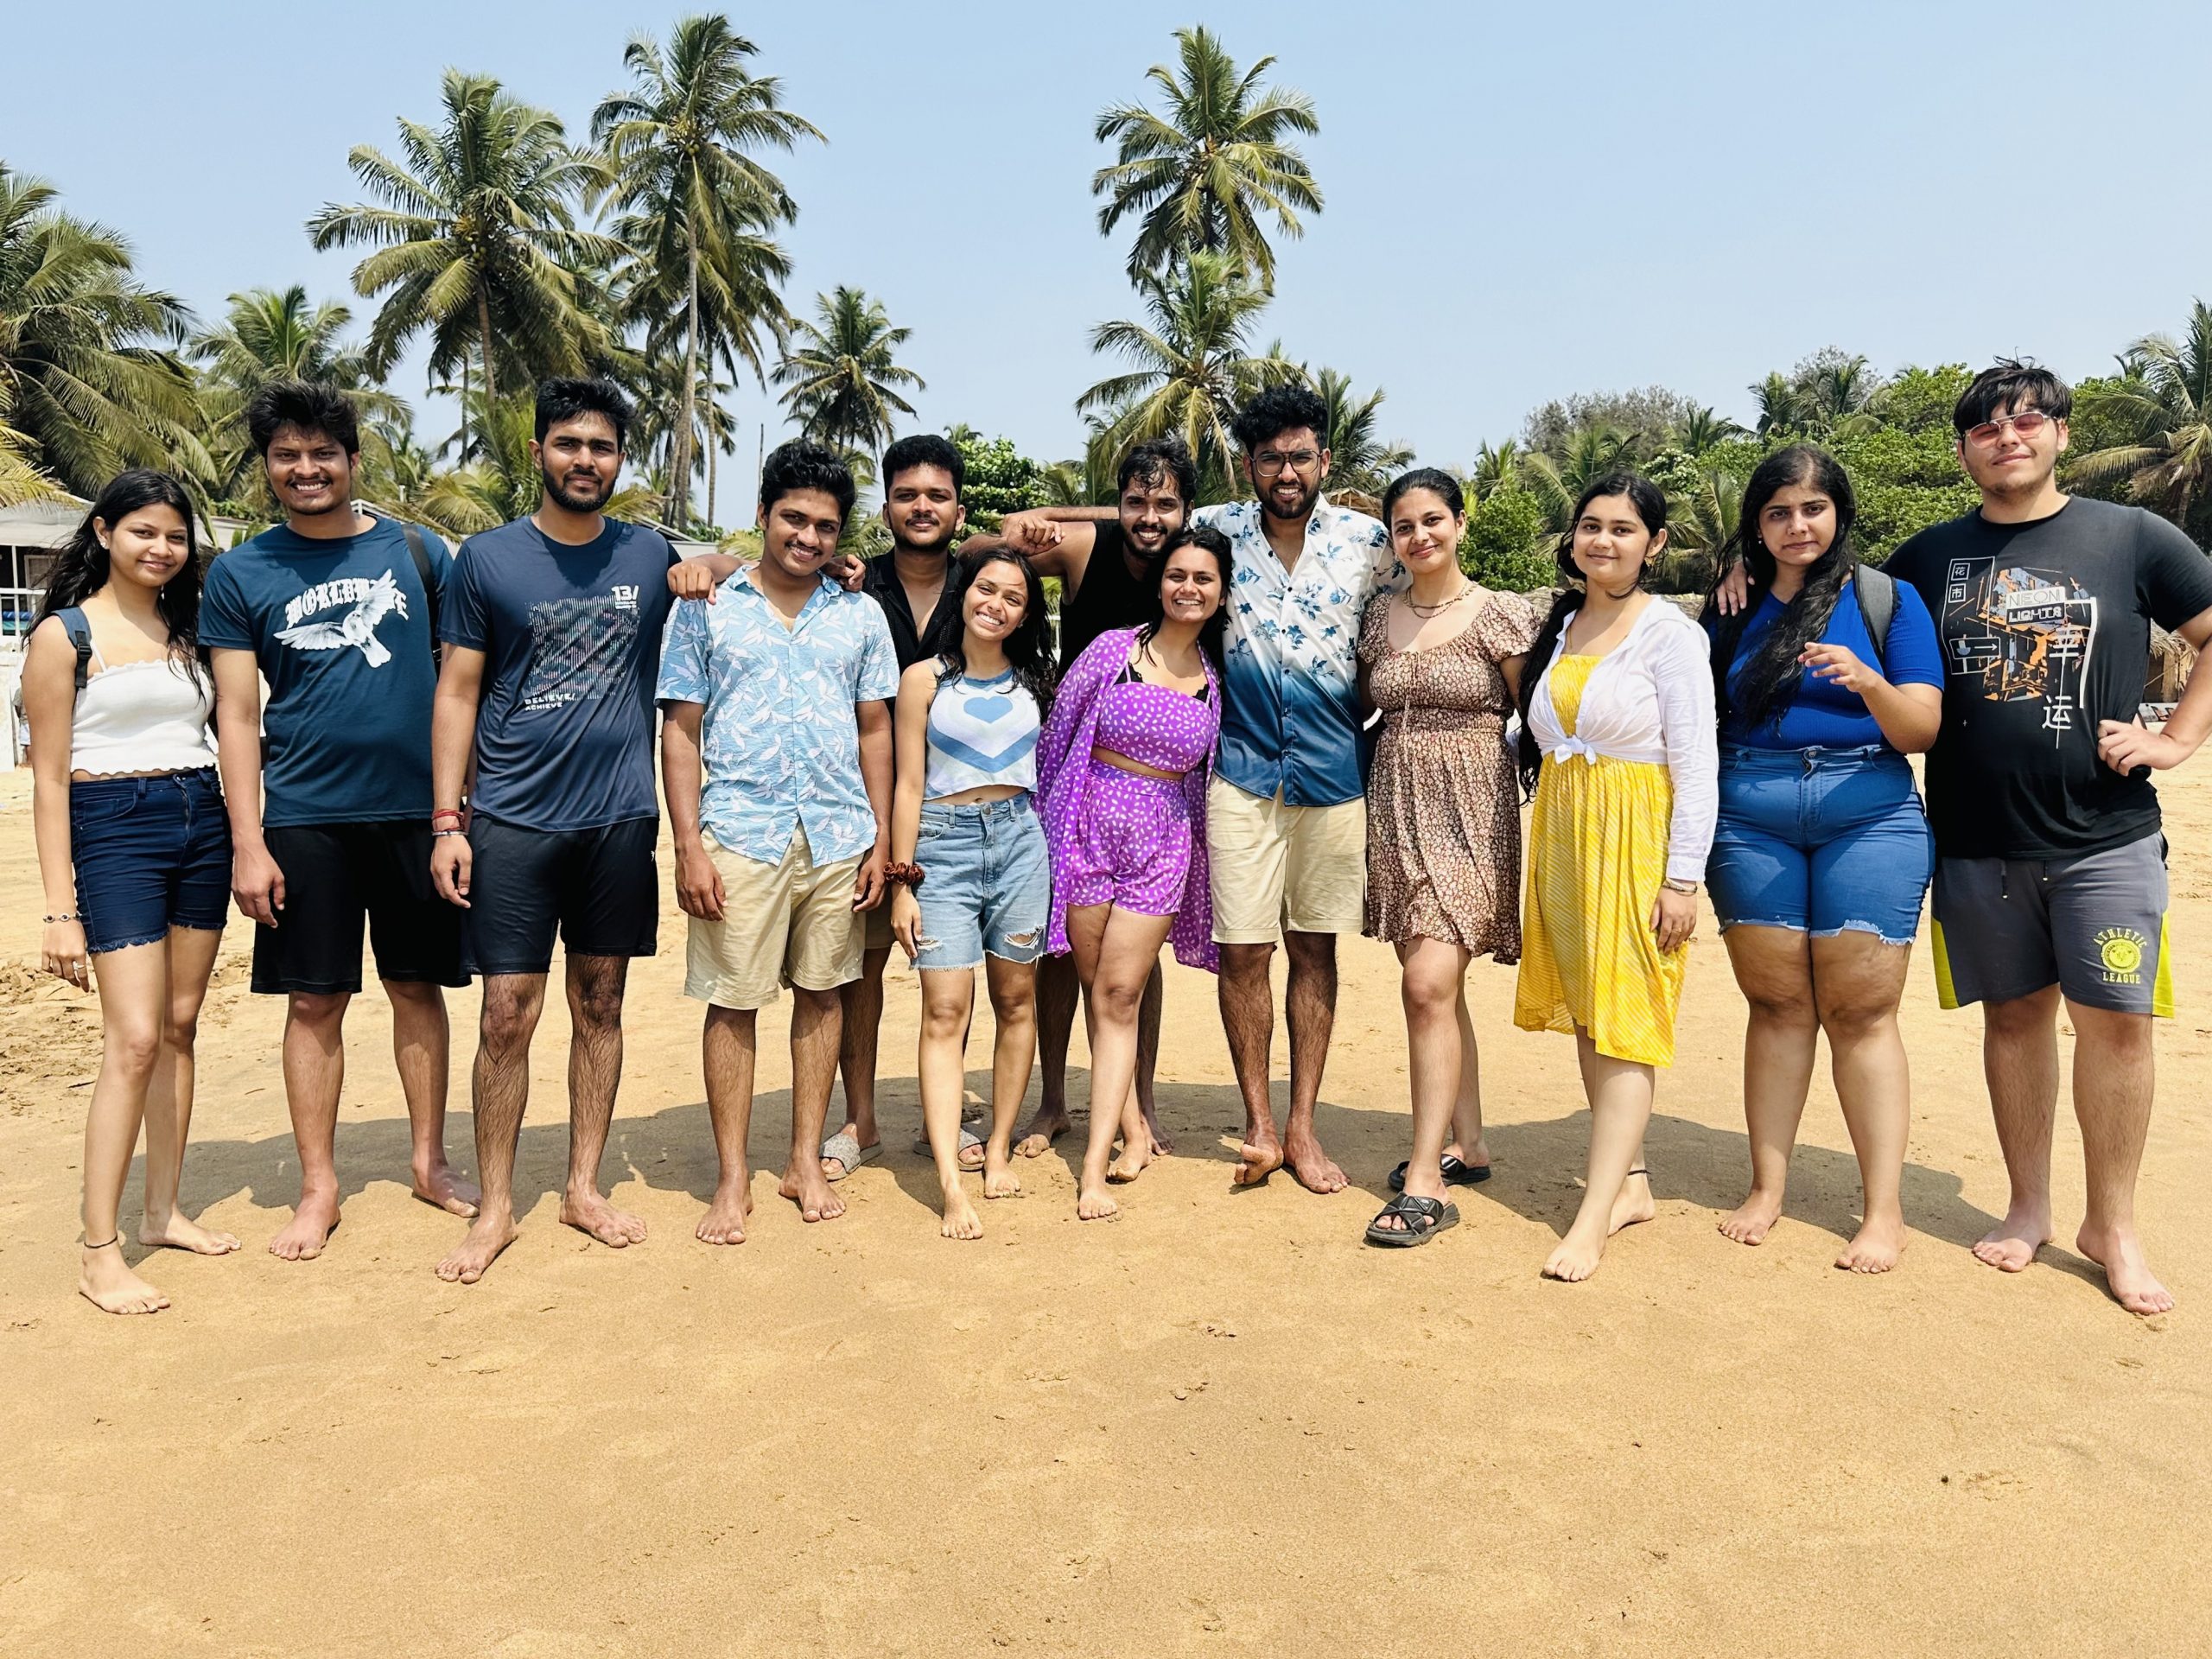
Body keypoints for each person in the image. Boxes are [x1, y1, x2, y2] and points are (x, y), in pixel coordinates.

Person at [1872, 360, 2211, 1313]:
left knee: (2116, 1024)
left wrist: (2175, 737)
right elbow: (1834, 609)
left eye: (2027, 421)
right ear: (1961, 450)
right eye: (1986, 427)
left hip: (2107, 835)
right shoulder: (1925, 559)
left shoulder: (2131, 535)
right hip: (1976, 839)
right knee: (2012, 1020)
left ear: (2060, 434)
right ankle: (2027, 1206)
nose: (2007, 437)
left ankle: (2114, 1225)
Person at [427, 378, 735, 1283]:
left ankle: (583, 1186)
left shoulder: (648, 554)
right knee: (506, 1015)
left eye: (601, 448)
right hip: (514, 821)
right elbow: (456, 694)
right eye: (568, 444)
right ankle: (494, 1207)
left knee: (600, 1005)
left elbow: (739, 564)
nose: (585, 461)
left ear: (619, 461)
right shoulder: (484, 561)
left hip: (616, 821)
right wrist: (450, 820)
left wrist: (709, 566)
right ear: (537, 453)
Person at [200, 381, 477, 1259]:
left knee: (414, 988)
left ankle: (429, 1162)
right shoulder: (244, 572)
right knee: (314, 1000)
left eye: (324, 453)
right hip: (306, 818)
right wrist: (249, 843)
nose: (306, 468)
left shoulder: (419, 552)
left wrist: (452, 817)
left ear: (354, 461)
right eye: (288, 455)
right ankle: (319, 1186)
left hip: (415, 816)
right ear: (269, 468)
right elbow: (237, 718)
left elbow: (461, 687)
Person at [1700, 446, 1942, 1274]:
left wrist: (1867, 681)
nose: (1796, 526)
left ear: (1838, 512)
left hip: (1869, 814)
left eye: (1812, 509)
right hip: (1750, 819)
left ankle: (1883, 1210)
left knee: (1863, 1010)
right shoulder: (1728, 606)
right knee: (1775, 1005)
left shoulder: (1888, 601)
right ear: (1755, 525)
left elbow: (1920, 730)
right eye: (1777, 512)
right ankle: (1768, 1187)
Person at [659, 439, 896, 1236]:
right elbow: (682, 730)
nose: (809, 537)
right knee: (732, 1004)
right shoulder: (705, 608)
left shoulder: (860, 615)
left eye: (826, 525)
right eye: (794, 517)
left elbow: (875, 731)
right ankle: (732, 1178)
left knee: (823, 992)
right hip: (739, 832)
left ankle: (802, 1159)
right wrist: (688, 845)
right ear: (762, 515)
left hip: (837, 835)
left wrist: (880, 839)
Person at [22, 472, 240, 1313]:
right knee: (135, 1038)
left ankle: (162, 1210)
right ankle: (98, 1251)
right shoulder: (64, 636)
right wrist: (58, 909)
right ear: (106, 532)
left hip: (202, 818)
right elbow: (47, 784)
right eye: (144, 532)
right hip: (114, 826)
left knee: (181, 1026)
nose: (161, 548)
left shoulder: (189, 626)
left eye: (175, 536)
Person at [1513, 474, 1717, 1282]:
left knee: (1628, 1016)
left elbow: (1697, 765)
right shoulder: (1561, 623)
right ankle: (1629, 1183)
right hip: (1566, 831)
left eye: (1624, 529)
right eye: (1590, 527)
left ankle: (1593, 1217)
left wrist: (1683, 878)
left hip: (1636, 835)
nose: (1603, 541)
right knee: (1595, 1016)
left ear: (1654, 543)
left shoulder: (1669, 634)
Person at [973, 436, 1197, 1161]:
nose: (1149, 517)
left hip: (1157, 776)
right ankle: (1052, 1102)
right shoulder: (1082, 549)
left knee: (1140, 953)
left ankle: (1143, 1096)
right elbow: (979, 552)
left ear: (1185, 510)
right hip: (1074, 765)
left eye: (1165, 504)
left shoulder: (1190, 566)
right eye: (1136, 502)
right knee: (1060, 947)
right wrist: (1024, 525)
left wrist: (1103, 508)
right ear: (1117, 503)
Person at [1357, 469, 1540, 1247]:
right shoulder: (1377, 615)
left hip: (1473, 806)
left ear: (1460, 523)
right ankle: (1470, 1141)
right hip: (1395, 805)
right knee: (1438, 990)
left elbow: (1542, 714)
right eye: (1404, 526)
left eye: (1433, 520)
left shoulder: (1502, 614)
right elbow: (1362, 709)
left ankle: (1427, 1179)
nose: (1420, 536)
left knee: (1427, 983)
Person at [1036, 525, 1230, 1220]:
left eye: (1204, 578)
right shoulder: (1112, 652)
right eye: (1178, 574)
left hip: (1162, 844)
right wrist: (1048, 836)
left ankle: (1093, 1166)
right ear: (1160, 581)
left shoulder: (1217, 678)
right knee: (1096, 988)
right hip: (1088, 832)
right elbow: (1057, 738)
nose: (1188, 587)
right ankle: (1134, 1127)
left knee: (1121, 993)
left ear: (1220, 592)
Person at [886, 548, 1056, 1238]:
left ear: (1025, 613)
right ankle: (952, 1183)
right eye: (987, 588)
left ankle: (1000, 1150)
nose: (997, 604)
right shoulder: (923, 679)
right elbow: (905, 783)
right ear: (966, 592)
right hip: (941, 849)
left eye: (1014, 597)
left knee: (1017, 1002)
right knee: (944, 1009)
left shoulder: (1037, 680)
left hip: (1020, 843)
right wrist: (902, 883)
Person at [823, 433, 974, 1184]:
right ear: (885, 507)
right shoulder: (850, 583)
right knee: (866, 966)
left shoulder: (982, 580)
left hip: (964, 806)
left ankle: (941, 1117)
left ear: (958, 507)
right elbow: (739, 563)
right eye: (908, 495)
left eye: (937, 495)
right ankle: (861, 1119)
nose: (922, 507)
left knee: (954, 969)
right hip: (867, 799)